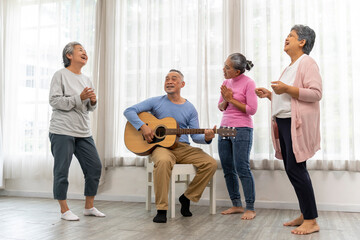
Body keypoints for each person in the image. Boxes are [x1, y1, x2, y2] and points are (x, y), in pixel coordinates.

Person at [124, 69, 218, 223]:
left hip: (183, 147)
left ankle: (187, 197)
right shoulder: (156, 101)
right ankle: (162, 209)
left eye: (174, 79)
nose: (169, 81)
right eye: (167, 78)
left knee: (211, 163)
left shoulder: (190, 108)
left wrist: (207, 137)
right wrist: (143, 127)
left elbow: (195, 137)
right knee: (163, 162)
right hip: (162, 148)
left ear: (182, 84)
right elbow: (129, 111)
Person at [255, 25, 321, 235]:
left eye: (291, 36)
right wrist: (271, 94)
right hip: (284, 122)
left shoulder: (307, 63)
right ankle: (306, 213)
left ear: (302, 42)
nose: (286, 38)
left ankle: (311, 220)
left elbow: (315, 93)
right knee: (295, 169)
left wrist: (285, 89)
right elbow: (288, 97)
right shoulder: (290, 67)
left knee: (295, 169)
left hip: (295, 124)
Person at [49, 42, 105, 221]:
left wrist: (93, 101)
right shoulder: (60, 75)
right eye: (80, 50)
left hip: (83, 131)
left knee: (94, 167)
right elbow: (55, 101)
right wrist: (78, 97)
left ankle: (89, 207)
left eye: (85, 51)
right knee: (62, 171)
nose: (84, 52)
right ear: (69, 55)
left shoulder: (86, 79)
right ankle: (64, 210)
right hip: (62, 130)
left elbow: (87, 108)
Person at [218, 53, 258, 220]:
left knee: (242, 168)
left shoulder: (249, 83)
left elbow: (252, 109)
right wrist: (226, 100)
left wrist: (231, 99)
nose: (224, 69)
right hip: (225, 127)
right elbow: (220, 107)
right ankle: (236, 204)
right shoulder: (226, 82)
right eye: (224, 65)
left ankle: (250, 207)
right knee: (227, 168)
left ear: (238, 71)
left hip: (242, 129)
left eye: (227, 67)